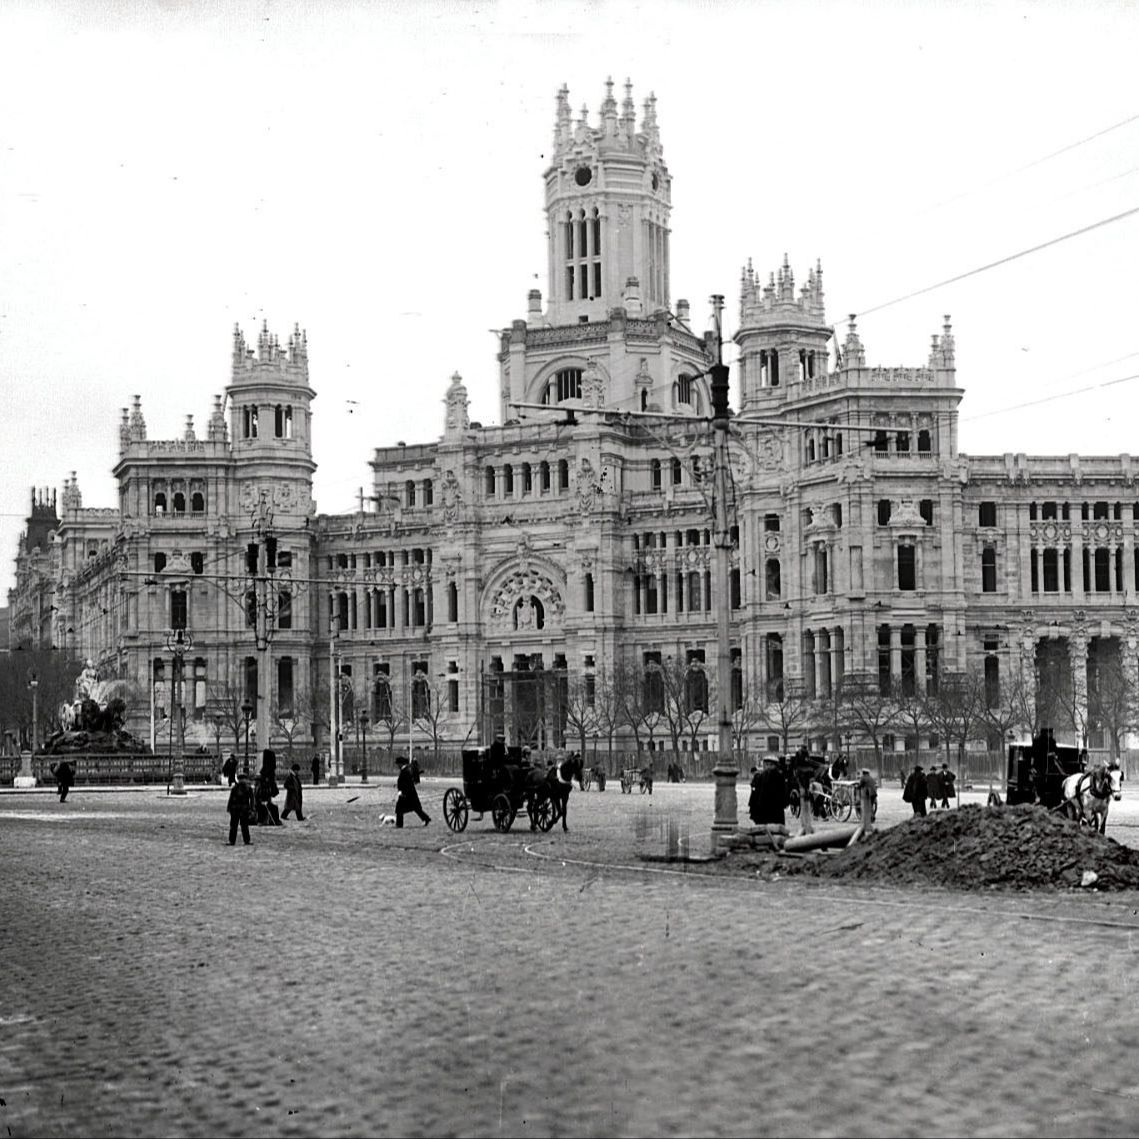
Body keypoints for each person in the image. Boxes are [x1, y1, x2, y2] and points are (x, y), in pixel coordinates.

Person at [749, 756, 787, 827]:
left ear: (775, 766)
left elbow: (783, 792)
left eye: (771, 765)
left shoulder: (779, 777)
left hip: (775, 809)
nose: (769, 767)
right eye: (767, 765)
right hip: (762, 809)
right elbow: (756, 793)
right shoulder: (760, 777)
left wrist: (782, 803)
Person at [395, 755, 430, 827]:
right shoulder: (405, 770)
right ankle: (426, 818)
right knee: (415, 808)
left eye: (398, 764)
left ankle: (399, 824)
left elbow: (407, 783)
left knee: (400, 809)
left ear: (401, 763)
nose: (397, 765)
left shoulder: (405, 771)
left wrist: (402, 792)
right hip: (409, 793)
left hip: (407, 793)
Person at [227, 771, 254, 845]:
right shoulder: (235, 788)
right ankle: (232, 840)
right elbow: (231, 799)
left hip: (244, 809)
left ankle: (247, 840)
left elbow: (252, 800)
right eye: (240, 779)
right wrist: (229, 808)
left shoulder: (248, 789)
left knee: (244, 826)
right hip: (235, 809)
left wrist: (252, 809)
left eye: (243, 779)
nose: (242, 780)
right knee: (233, 826)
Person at [256, 749, 281, 826]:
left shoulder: (266, 770)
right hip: (265, 792)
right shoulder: (269, 771)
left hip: (264, 791)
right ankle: (267, 820)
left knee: (266, 805)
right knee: (267, 805)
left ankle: (264, 820)